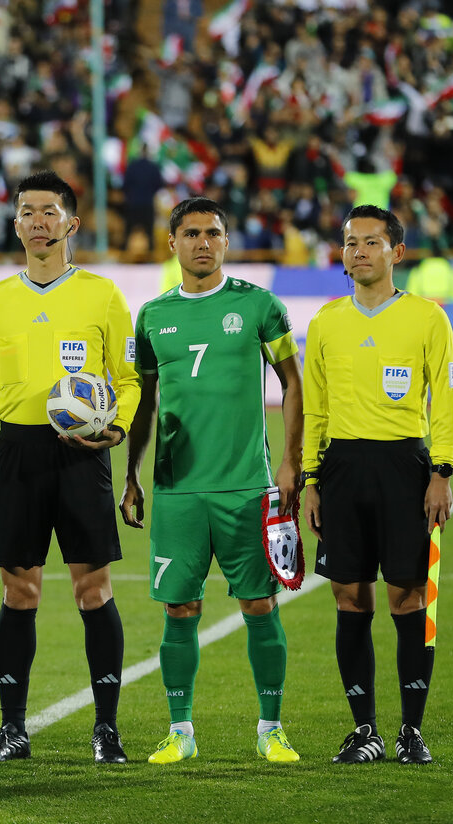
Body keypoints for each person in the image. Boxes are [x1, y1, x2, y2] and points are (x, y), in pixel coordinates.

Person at [0, 170, 139, 764]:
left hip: (81, 455)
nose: (37, 222)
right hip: (15, 452)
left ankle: (106, 729)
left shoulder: (102, 294)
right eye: (27, 213)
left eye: (48, 212)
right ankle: (13, 730)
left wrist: (117, 428)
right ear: (15, 225)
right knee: (20, 590)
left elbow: (131, 376)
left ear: (71, 223)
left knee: (92, 589)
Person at [120, 197, 304, 765]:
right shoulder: (151, 316)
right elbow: (144, 402)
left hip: (246, 486)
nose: (204, 242)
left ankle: (271, 727)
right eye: (192, 233)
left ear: (227, 241)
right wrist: (130, 474)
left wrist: (291, 462)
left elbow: (293, 384)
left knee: (259, 604)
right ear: (171, 242)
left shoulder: (258, 307)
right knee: (179, 609)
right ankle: (181, 731)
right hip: (177, 489)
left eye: (214, 233)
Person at [302, 204, 453, 765]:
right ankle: (364, 729)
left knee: (407, 595)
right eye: (351, 243)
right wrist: (311, 479)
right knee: (349, 597)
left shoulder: (427, 318)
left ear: (396, 252)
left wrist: (441, 471)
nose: (360, 252)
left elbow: (445, 399)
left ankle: (410, 730)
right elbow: (315, 409)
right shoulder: (325, 322)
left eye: (371, 243)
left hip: (405, 468)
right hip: (342, 468)